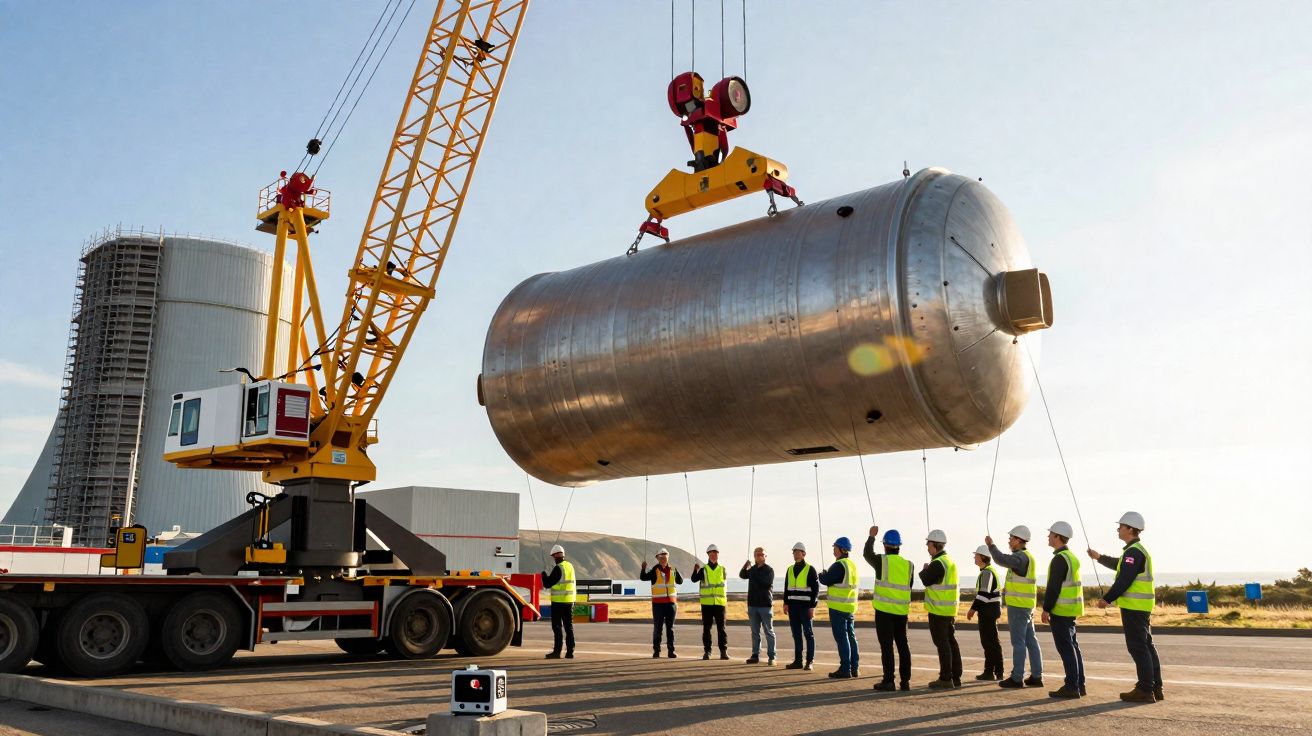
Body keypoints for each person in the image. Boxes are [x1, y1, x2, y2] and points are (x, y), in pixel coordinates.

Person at [1089, 511, 1162, 703]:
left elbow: (1125, 579)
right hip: (1141, 606)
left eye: (1121, 526)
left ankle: (1145, 689)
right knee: (1146, 646)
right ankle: (1156, 687)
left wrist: (1107, 598)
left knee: (1138, 647)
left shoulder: (1134, 552)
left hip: (1134, 607)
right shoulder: (1133, 551)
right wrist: (1099, 557)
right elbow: (1121, 566)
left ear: (1130, 529)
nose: (1118, 529)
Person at [985, 525, 1044, 689]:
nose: (1009, 541)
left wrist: (991, 545)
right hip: (1027, 606)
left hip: (1018, 607)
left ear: (1019, 540)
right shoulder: (1028, 557)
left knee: (1018, 642)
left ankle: (1017, 677)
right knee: (1031, 641)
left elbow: (1001, 560)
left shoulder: (1020, 558)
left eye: (1011, 538)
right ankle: (1037, 676)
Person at [864, 525, 912, 692]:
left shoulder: (881, 561)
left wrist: (871, 536)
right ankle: (905, 682)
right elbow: (909, 586)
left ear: (885, 545)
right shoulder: (909, 565)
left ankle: (888, 680)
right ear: (899, 546)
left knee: (887, 646)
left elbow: (867, 554)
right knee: (903, 645)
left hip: (884, 612)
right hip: (901, 612)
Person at [1043, 521, 1085, 698]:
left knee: (1066, 649)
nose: (1048, 537)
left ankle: (1071, 686)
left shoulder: (1059, 559)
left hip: (1060, 610)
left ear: (1057, 537)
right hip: (1071, 609)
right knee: (1073, 647)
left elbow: (1054, 588)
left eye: (1051, 534)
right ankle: (1079, 684)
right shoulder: (1072, 557)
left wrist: (1046, 609)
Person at [920, 529, 962, 689]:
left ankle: (945, 678)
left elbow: (926, 580)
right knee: (951, 642)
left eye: (928, 543)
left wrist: (925, 569)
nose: (926, 546)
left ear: (934, 545)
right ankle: (956, 676)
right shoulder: (949, 561)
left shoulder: (938, 563)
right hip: (949, 609)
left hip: (938, 610)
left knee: (942, 644)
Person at [817, 536, 860, 678]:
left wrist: (822, 575)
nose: (833, 550)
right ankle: (854, 668)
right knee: (851, 637)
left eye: (835, 548)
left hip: (838, 607)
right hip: (849, 607)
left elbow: (826, 580)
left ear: (842, 549)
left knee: (842, 638)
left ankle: (845, 668)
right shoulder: (852, 565)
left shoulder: (839, 565)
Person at [966, 544, 1004, 680]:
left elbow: (983, 595)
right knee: (991, 642)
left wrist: (972, 609)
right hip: (990, 611)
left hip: (988, 612)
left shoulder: (987, 572)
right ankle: (993, 671)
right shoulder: (988, 571)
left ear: (982, 557)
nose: (974, 557)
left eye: (976, 555)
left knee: (990, 642)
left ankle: (993, 672)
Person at [640, 549, 683, 658]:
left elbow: (680, 581)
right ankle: (656, 651)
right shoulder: (654, 570)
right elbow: (643, 577)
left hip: (671, 604)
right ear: (658, 558)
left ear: (668, 557)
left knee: (670, 628)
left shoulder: (673, 569)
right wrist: (643, 568)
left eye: (665, 556)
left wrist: (677, 572)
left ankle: (671, 651)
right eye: (661, 557)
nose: (663, 558)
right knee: (658, 628)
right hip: (658, 604)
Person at [782, 541, 818, 671]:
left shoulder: (810, 569)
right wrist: (785, 603)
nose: (795, 554)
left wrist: (812, 607)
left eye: (797, 552)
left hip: (805, 608)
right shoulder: (790, 569)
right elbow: (786, 588)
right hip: (793, 607)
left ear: (804, 554)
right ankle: (798, 661)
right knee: (796, 634)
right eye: (794, 552)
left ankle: (809, 661)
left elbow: (815, 591)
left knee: (808, 633)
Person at [691, 543, 730, 660]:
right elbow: (693, 579)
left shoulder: (723, 569)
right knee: (706, 628)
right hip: (707, 604)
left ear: (718, 555)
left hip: (720, 603)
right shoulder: (704, 570)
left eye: (715, 554)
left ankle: (723, 652)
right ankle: (707, 652)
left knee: (721, 628)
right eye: (711, 554)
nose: (714, 556)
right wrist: (695, 570)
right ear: (708, 555)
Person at [740, 546, 777, 665]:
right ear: (754, 557)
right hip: (753, 605)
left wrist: (753, 571)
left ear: (765, 556)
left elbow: (766, 583)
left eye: (761, 554)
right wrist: (745, 566)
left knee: (769, 632)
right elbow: (742, 575)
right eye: (757, 554)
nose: (759, 556)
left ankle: (772, 657)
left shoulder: (769, 570)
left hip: (765, 605)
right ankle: (755, 655)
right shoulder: (752, 569)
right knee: (755, 632)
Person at [540, 544, 576, 659]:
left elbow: (547, 584)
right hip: (569, 601)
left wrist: (544, 574)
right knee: (568, 627)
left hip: (558, 603)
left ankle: (557, 652)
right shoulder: (570, 566)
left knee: (557, 627)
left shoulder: (558, 568)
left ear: (555, 556)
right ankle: (570, 652)